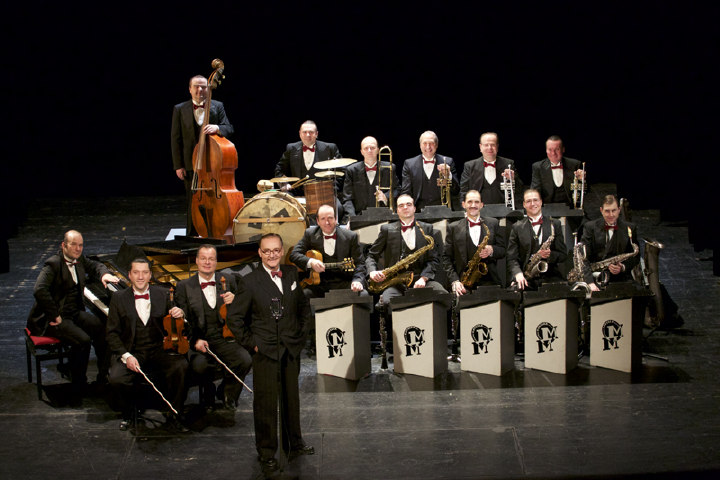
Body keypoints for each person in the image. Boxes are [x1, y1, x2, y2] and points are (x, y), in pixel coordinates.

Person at [227, 233, 314, 475]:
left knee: (291, 399)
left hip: (290, 348)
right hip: (265, 351)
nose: (272, 255)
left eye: (276, 250)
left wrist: (300, 336)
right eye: (267, 251)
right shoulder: (249, 281)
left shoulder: (291, 273)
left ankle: (293, 442)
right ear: (260, 253)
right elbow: (234, 319)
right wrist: (252, 344)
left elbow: (302, 308)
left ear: (281, 250)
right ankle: (266, 451)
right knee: (265, 404)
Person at [27, 230, 117, 394]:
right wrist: (55, 314)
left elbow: (96, 264)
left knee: (103, 330)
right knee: (83, 340)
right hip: (53, 319)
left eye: (81, 245)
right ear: (63, 246)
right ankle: (78, 383)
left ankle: (103, 377)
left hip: (73, 313)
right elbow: (39, 290)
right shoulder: (53, 264)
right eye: (73, 245)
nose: (78, 248)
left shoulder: (79, 259)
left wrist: (104, 274)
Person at [107, 258, 189, 433]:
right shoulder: (118, 298)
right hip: (133, 350)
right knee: (116, 378)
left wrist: (180, 314)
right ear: (129, 275)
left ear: (150, 275)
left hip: (159, 348)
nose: (140, 276)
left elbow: (180, 324)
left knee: (180, 366)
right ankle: (129, 414)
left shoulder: (164, 294)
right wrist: (126, 356)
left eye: (144, 272)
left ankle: (175, 415)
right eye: (136, 272)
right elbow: (111, 333)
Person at [175, 245, 252, 411]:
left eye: (211, 259)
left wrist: (236, 301)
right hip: (199, 339)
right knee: (200, 366)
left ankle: (227, 393)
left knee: (244, 360)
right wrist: (195, 340)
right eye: (203, 258)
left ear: (216, 262)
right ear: (196, 261)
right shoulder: (184, 286)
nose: (207, 262)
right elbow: (183, 321)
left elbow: (243, 311)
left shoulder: (229, 280)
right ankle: (207, 394)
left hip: (225, 337)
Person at [171, 75, 234, 235]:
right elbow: (175, 139)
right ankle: (192, 234)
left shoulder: (217, 106)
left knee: (215, 199)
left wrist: (217, 128)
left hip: (213, 163)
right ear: (190, 89)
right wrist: (178, 165)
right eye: (196, 87)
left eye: (204, 87)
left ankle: (216, 230)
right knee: (192, 201)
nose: (200, 90)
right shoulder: (180, 108)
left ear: (208, 88)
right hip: (191, 163)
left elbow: (229, 128)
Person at [366, 194, 447, 305]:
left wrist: (424, 278)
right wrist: (372, 271)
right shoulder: (387, 230)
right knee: (385, 302)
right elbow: (371, 255)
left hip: (421, 279)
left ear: (414, 209)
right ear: (397, 211)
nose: (405, 207)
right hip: (395, 283)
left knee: (443, 296)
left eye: (409, 204)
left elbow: (433, 259)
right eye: (401, 205)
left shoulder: (427, 229)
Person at [290, 204, 367, 298]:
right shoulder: (310, 234)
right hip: (320, 285)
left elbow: (359, 263)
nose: (327, 222)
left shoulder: (350, 236)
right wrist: (311, 262)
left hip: (344, 283)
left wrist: (357, 281)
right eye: (323, 219)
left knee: (363, 295)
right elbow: (293, 254)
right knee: (303, 295)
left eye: (330, 218)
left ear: (335, 219)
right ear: (317, 221)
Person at [443, 190, 506, 293]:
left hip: (489, 280)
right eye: (470, 202)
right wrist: (455, 281)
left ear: (481, 205)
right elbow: (446, 258)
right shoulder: (453, 227)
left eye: (477, 202)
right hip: (463, 283)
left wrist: (492, 250)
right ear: (463, 204)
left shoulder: (493, 223)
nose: (473, 205)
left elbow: (503, 250)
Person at [507, 189, 567, 290]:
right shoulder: (517, 227)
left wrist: (549, 255)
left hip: (550, 275)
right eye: (528, 201)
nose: (532, 204)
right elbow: (512, 258)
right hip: (527, 277)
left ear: (541, 202)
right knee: (515, 290)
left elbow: (563, 255)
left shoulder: (554, 224)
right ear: (524, 204)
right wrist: (518, 274)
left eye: (535, 200)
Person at [580, 195, 640, 291]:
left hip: (620, 276)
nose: (611, 215)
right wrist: (590, 282)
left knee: (638, 293)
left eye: (614, 210)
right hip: (595, 275)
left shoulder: (629, 228)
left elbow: (636, 256)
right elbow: (583, 257)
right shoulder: (590, 227)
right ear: (601, 210)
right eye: (607, 211)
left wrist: (622, 267)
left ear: (619, 210)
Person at [341, 136, 399, 223]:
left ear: (378, 150)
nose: (369, 150)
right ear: (361, 152)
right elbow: (347, 199)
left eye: (372, 147)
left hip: (384, 217)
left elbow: (397, 190)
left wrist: (386, 197)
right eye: (366, 148)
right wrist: (352, 219)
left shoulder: (389, 167)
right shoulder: (351, 170)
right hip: (359, 217)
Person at [275, 120, 342, 193]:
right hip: (296, 192)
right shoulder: (291, 148)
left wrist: (331, 188)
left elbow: (341, 171)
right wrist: (284, 184)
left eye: (311, 132)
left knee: (337, 204)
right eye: (304, 132)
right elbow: (279, 170)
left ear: (316, 134)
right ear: (300, 134)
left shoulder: (330, 148)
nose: (308, 135)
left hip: (322, 193)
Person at [400, 131, 459, 210]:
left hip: (442, 211)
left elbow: (456, 191)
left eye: (431, 143)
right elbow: (406, 192)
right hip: (418, 212)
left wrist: (448, 176)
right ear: (420, 145)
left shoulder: (448, 162)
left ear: (437, 144)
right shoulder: (409, 164)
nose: (428, 147)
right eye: (424, 143)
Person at [460, 132, 523, 205]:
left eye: (493, 144)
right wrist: (465, 212)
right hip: (477, 211)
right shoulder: (470, 166)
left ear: (497, 147)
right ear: (480, 147)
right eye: (486, 145)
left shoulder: (508, 164)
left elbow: (519, 190)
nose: (490, 148)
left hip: (503, 211)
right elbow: (463, 192)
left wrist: (513, 178)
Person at [530, 135, 586, 208]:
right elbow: (535, 192)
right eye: (550, 149)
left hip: (570, 210)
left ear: (563, 149)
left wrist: (582, 180)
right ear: (546, 150)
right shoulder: (538, 167)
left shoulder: (575, 165)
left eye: (557, 149)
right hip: (546, 210)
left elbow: (585, 192)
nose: (553, 153)